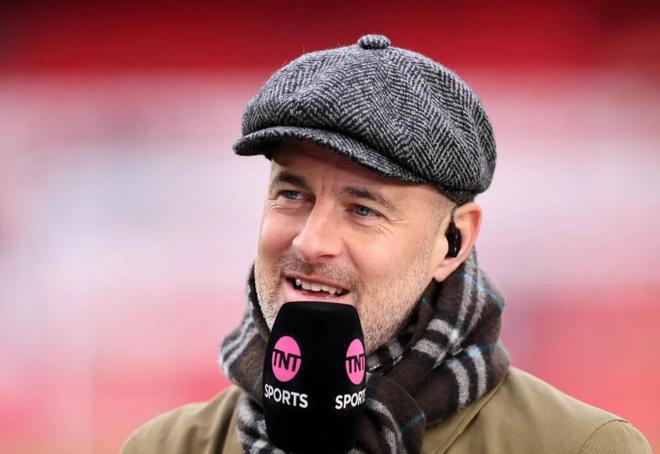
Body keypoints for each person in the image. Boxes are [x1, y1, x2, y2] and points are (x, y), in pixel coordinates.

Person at [122, 34, 651, 453]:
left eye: (363, 209)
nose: (311, 241)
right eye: (292, 195)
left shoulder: (579, 447)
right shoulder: (164, 447)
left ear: (453, 242)